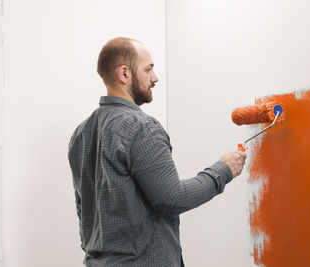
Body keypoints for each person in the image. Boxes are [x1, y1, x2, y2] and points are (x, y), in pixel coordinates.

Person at [68, 37, 247, 267]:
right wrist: (223, 170)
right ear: (124, 74)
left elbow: (84, 212)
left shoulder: (81, 133)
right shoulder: (141, 127)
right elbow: (172, 199)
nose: (155, 78)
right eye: (148, 69)